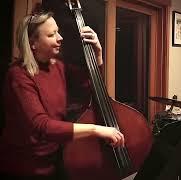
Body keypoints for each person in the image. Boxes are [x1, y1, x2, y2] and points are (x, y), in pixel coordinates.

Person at [0, 11, 125, 180]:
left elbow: (89, 87)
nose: (60, 38)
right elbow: (41, 126)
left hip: (57, 159)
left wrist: (98, 54)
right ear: (33, 43)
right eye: (52, 34)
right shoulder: (19, 75)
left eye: (57, 31)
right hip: (25, 167)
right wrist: (96, 129)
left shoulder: (58, 66)